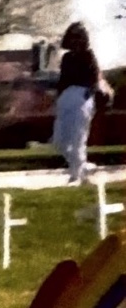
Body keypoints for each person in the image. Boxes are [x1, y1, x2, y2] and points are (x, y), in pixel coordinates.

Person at [51, 21, 100, 186]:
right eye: (73, 37)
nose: (76, 40)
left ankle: (76, 176)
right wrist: (58, 98)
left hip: (81, 97)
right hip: (66, 98)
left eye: (79, 37)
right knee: (60, 141)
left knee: (78, 138)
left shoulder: (88, 56)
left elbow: (94, 78)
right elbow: (62, 80)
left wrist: (87, 95)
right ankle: (83, 167)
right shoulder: (66, 58)